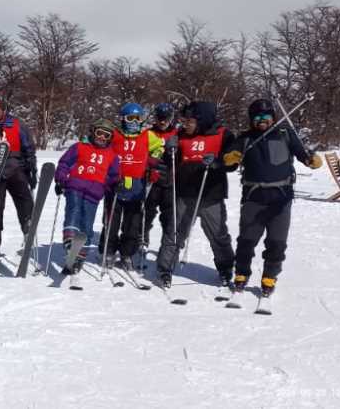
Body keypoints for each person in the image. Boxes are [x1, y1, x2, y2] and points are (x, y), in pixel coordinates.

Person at [222, 99, 322, 297]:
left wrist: (311, 159)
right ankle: (242, 273)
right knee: (247, 240)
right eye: (257, 117)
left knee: (277, 242)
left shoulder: (285, 134)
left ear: (273, 117)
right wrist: (230, 158)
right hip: (253, 197)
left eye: (266, 116)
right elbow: (229, 162)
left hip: (281, 198)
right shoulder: (246, 138)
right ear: (252, 120)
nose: (262, 120)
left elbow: (303, 155)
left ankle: (270, 276)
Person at [155, 101, 237, 288]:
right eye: (183, 120)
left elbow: (233, 162)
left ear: (202, 120)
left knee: (218, 234)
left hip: (211, 195)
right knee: (174, 233)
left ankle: (225, 269)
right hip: (184, 193)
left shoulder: (223, 134)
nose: (185, 124)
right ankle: (164, 269)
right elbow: (169, 163)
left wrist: (217, 162)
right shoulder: (180, 135)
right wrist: (170, 151)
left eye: (189, 120)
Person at [0, 92, 37, 272]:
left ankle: (27, 231)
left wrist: (32, 168)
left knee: (25, 201)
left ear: (1, 107)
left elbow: (28, 147)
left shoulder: (16, 124)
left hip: (15, 169)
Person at [100, 103, 164, 270]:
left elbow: (159, 148)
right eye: (130, 118)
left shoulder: (147, 135)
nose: (134, 122)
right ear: (123, 119)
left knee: (133, 223)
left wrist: (153, 162)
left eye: (137, 118)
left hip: (137, 186)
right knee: (111, 221)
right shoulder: (115, 135)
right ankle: (109, 251)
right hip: (115, 185)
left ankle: (127, 253)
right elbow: (100, 147)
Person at [54, 119, 121, 274]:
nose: (102, 138)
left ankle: (79, 257)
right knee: (74, 211)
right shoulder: (79, 147)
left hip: (94, 193)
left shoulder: (112, 156)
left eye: (107, 135)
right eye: (99, 133)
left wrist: (116, 183)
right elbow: (64, 163)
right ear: (92, 132)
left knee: (87, 224)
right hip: (74, 187)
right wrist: (61, 179)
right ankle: (70, 240)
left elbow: (113, 175)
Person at [142, 102, 178, 247]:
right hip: (152, 180)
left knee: (169, 216)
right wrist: (148, 165)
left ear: (171, 118)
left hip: (171, 181)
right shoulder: (148, 133)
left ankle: (167, 244)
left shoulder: (177, 134)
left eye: (166, 118)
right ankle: (142, 236)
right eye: (159, 118)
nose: (162, 121)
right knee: (147, 212)